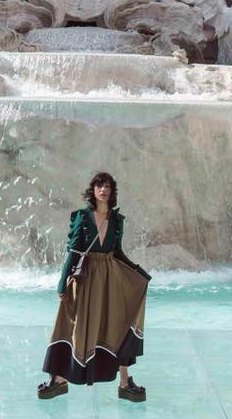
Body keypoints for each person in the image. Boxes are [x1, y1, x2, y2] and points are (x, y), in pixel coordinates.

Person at [38, 172, 151, 402]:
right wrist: (62, 281)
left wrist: (137, 272)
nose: (103, 189)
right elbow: (74, 250)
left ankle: (125, 381)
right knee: (72, 325)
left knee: (115, 326)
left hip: (110, 280)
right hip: (85, 278)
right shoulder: (82, 216)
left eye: (107, 186)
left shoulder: (117, 220)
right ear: (93, 190)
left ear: (112, 191)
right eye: (99, 185)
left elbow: (117, 252)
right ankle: (58, 379)